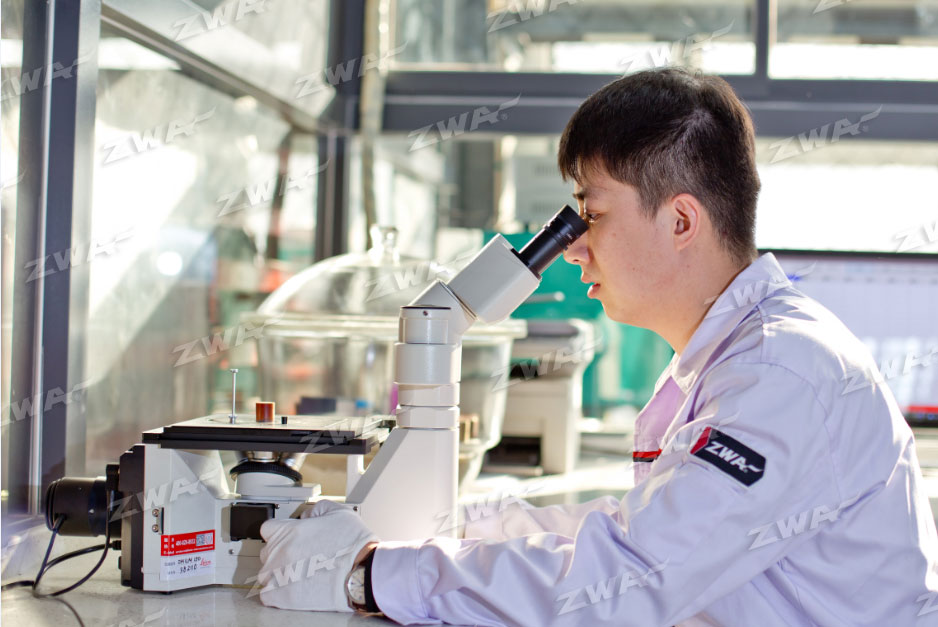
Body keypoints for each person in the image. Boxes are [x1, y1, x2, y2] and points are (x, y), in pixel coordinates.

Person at [256, 68, 938, 625]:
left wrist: (367, 575)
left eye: (593, 213)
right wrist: (456, 524)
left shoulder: (781, 372)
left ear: (681, 220)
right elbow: (631, 528)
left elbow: (626, 579)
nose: (574, 247)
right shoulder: (736, 356)